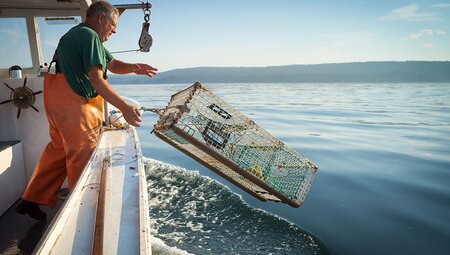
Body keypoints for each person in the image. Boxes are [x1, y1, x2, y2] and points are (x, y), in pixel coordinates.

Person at [14, 0, 158, 220]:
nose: (113, 32)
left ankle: (31, 199)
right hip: (75, 107)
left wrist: (135, 68)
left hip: (57, 103)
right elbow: (96, 79)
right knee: (81, 156)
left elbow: (112, 64)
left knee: (58, 150)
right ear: (101, 18)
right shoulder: (89, 36)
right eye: (112, 27)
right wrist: (124, 107)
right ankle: (81, 213)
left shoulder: (80, 36)